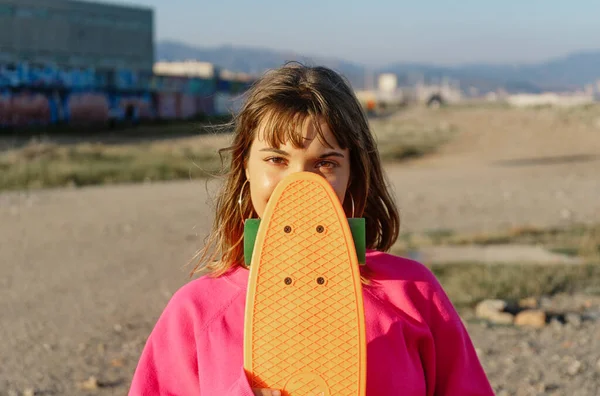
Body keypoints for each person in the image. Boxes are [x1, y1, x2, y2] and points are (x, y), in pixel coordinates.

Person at [129, 63, 495, 395]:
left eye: (325, 162)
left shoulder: (413, 293)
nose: (299, 183)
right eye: (276, 159)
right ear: (245, 167)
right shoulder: (196, 312)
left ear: (353, 174)